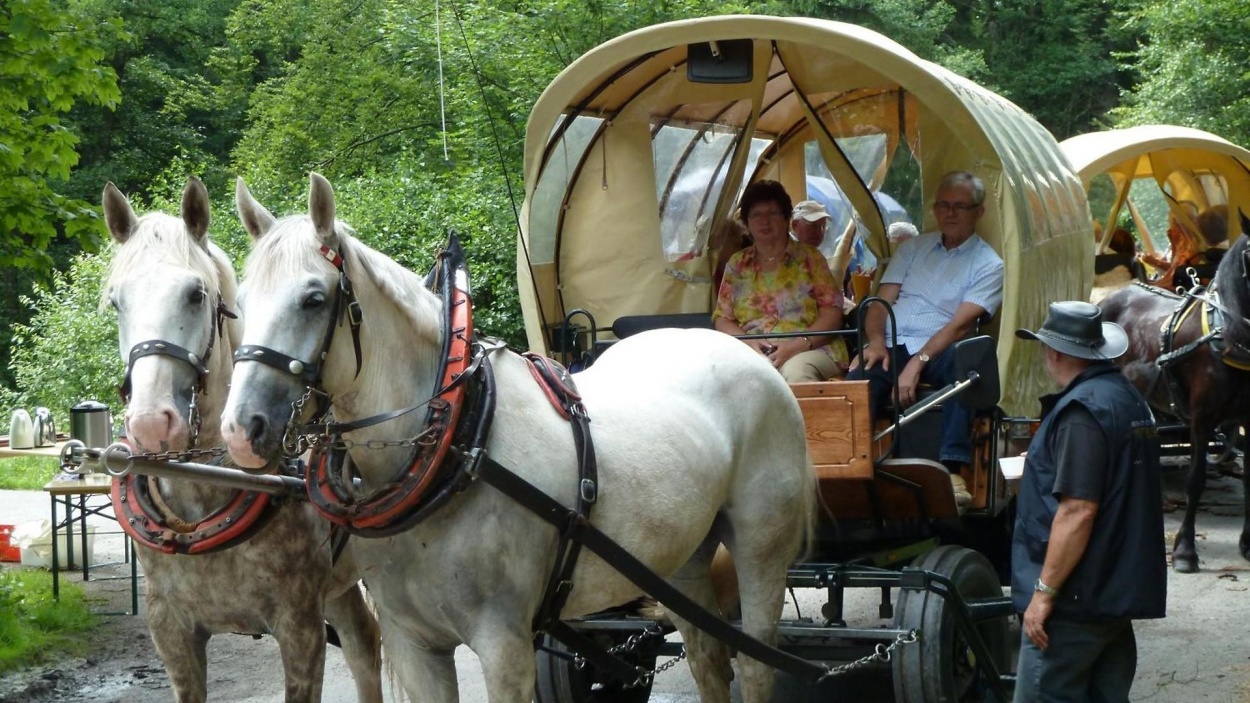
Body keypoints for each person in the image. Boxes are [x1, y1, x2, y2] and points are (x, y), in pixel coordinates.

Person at [1011, 301, 1166, 702]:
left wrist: (1043, 595)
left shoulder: (1082, 412)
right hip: (1112, 595)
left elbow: (1078, 510)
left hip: (1075, 604)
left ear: (1055, 352)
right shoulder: (1127, 398)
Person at [847, 171, 1003, 485]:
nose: (950, 213)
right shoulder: (913, 248)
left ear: (978, 212)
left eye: (960, 206)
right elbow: (880, 304)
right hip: (892, 342)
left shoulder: (989, 263)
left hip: (941, 347)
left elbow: (959, 327)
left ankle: (953, 470)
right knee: (858, 378)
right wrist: (875, 342)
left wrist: (918, 363)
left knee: (967, 365)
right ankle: (853, 468)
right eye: (944, 205)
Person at [714, 180, 847, 382]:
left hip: (810, 347)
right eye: (756, 215)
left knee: (796, 374)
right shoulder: (737, 263)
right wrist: (749, 344)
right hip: (754, 351)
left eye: (773, 213)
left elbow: (832, 313)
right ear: (747, 223)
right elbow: (723, 318)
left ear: (787, 219)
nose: (764, 221)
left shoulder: (810, 258)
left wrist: (798, 345)